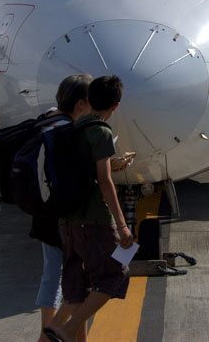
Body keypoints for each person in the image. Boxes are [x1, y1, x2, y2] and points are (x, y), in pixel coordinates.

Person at [45, 75, 134, 342]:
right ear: (115, 106)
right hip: (94, 218)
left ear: (88, 100)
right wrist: (122, 224)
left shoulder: (71, 128)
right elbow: (104, 181)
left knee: (76, 287)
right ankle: (67, 328)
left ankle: (55, 328)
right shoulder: (101, 132)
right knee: (116, 274)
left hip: (68, 220)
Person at [31, 73, 93, 342]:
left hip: (43, 212)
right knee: (82, 279)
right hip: (66, 216)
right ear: (81, 103)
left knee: (52, 275)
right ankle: (53, 334)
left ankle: (49, 331)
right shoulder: (69, 132)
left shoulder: (45, 120)